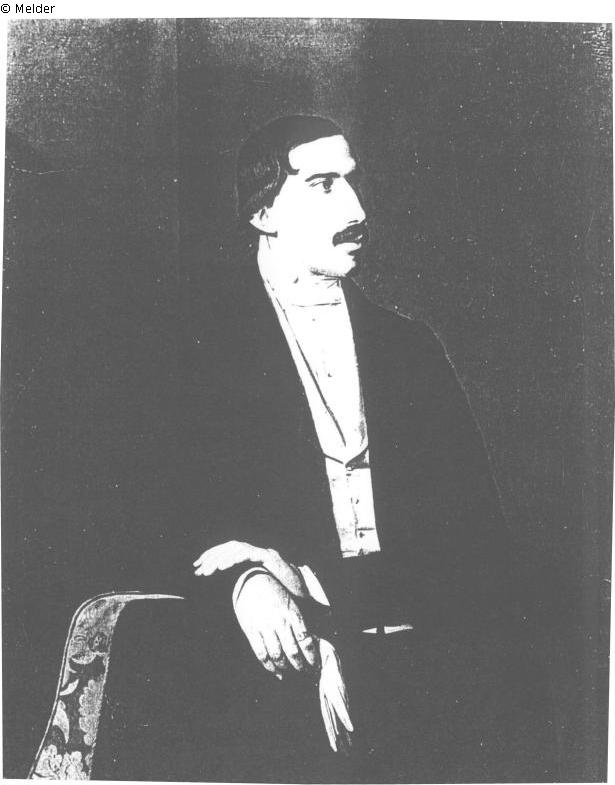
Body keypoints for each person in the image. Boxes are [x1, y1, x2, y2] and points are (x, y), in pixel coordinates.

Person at [94, 115, 557, 782]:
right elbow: (138, 517)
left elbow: (477, 542)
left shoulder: (410, 349)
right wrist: (243, 582)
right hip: (264, 676)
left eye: (352, 182)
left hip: (422, 663)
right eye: (322, 185)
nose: (356, 210)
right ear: (263, 214)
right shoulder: (191, 347)